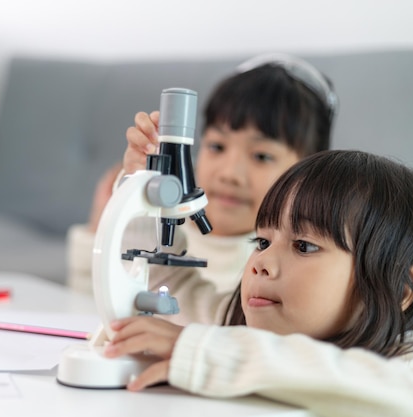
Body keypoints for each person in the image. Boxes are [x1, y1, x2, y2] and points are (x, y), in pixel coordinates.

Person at [103, 150, 413, 417]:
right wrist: (142, 193)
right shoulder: (237, 330)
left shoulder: (406, 364)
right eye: (263, 241)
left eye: (304, 246)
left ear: (398, 290)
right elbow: (166, 283)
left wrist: (205, 352)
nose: (261, 264)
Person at [67, 53, 337, 295]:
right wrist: (106, 219)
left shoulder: (282, 265)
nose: (229, 174)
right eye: (217, 146)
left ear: (307, 174)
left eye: (261, 156)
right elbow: (85, 294)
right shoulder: (162, 228)